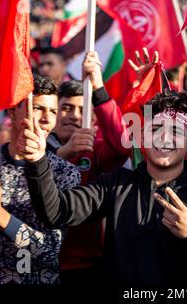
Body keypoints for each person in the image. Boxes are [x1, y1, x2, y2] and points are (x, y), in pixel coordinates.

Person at [18, 90, 187, 284]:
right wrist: (38, 161)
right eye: (155, 128)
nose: (164, 138)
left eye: (175, 130)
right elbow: (56, 213)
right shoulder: (116, 183)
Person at [0, 74, 80, 284]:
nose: (47, 119)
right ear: (12, 111)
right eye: (37, 108)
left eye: (53, 111)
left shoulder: (65, 173)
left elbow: (49, 252)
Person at [47, 51, 131, 283]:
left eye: (82, 110)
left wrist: (98, 88)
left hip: (84, 263)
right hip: (37, 260)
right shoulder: (34, 146)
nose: (73, 116)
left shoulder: (93, 149)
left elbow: (123, 147)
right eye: (65, 108)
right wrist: (63, 154)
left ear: (93, 119)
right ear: (53, 111)